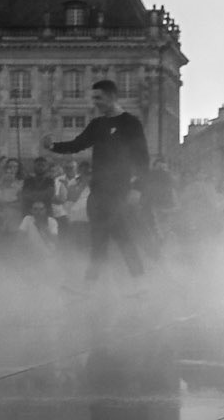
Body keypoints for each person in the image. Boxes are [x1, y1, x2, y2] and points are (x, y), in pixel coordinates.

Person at [41, 77, 150, 282]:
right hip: (98, 192)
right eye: (94, 98)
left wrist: (137, 189)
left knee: (122, 238)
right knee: (99, 240)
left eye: (99, 98)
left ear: (111, 97)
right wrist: (53, 146)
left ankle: (138, 282)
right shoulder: (97, 124)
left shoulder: (130, 124)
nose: (96, 102)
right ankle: (94, 284)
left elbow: (142, 159)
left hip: (119, 192)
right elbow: (77, 144)